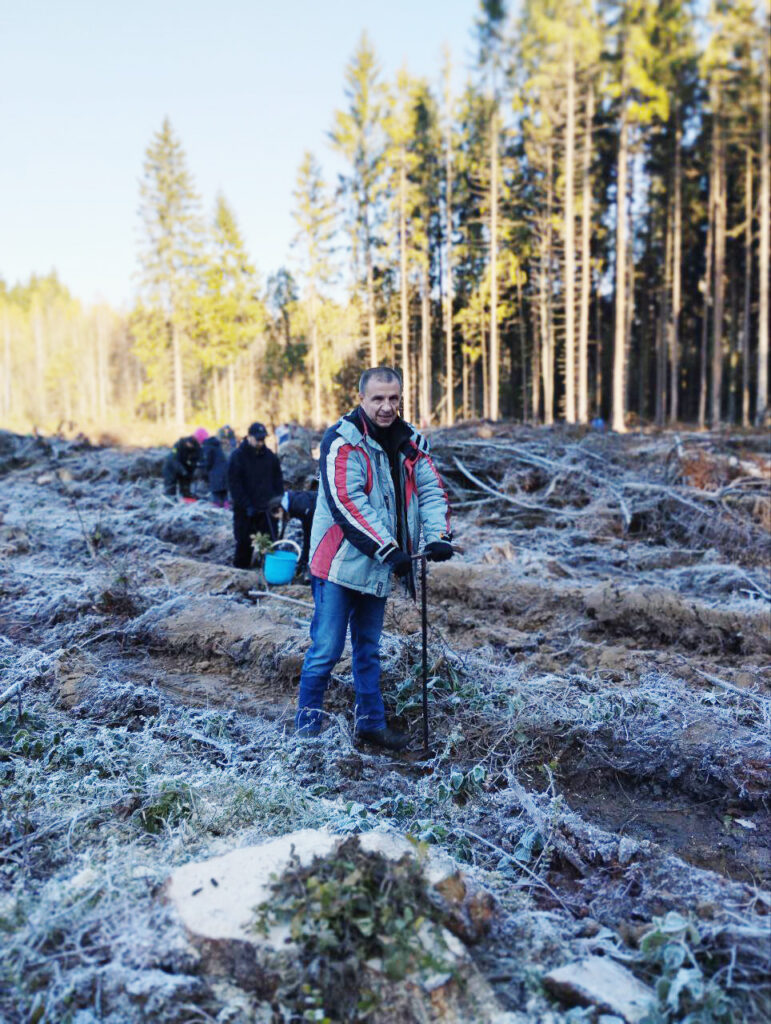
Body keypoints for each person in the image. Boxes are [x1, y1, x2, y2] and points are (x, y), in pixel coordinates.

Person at [295, 367, 453, 750]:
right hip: (338, 564)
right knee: (326, 649)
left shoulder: (411, 442)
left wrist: (437, 537)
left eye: (393, 398)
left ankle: (371, 724)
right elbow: (350, 503)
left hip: (381, 564)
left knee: (368, 649)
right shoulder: (342, 441)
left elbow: (430, 491)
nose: (386, 407)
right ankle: (306, 732)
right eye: (378, 399)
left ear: (401, 398)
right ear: (362, 398)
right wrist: (389, 549)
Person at [227, 422, 284, 569]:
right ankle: (240, 574)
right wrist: (247, 506)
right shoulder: (237, 457)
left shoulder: (270, 457)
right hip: (246, 511)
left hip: (267, 510)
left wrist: (278, 503)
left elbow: (278, 481)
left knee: (270, 545)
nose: (260, 442)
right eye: (257, 439)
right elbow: (235, 485)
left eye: (262, 439)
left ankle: (268, 575)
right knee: (244, 544)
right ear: (249, 437)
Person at [268, 489, 317, 575]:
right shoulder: (293, 501)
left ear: (280, 509)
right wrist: (304, 559)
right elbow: (308, 530)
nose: (280, 519)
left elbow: (311, 526)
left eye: (278, 516)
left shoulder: (298, 505)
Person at [200, 429, 231, 506]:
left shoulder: (207, 447)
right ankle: (227, 512)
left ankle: (217, 513)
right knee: (224, 495)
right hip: (225, 473)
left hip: (215, 475)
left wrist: (201, 466)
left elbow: (208, 462)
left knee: (216, 496)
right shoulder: (217, 445)